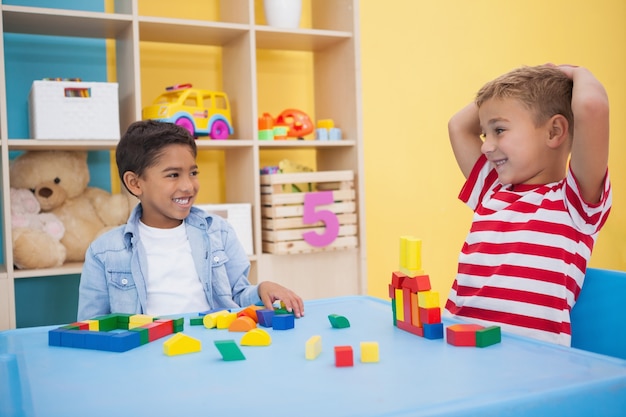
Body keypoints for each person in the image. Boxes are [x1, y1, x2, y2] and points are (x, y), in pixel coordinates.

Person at [444, 65, 612, 346]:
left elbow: (592, 107)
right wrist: (515, 83)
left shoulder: (574, 202)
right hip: (460, 348)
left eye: (499, 130)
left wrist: (573, 72)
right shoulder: (492, 191)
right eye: (485, 134)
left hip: (533, 364)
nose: (486, 146)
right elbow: (457, 126)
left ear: (554, 131)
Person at [77, 120, 304, 321]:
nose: (188, 186)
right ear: (135, 183)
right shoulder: (104, 252)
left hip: (212, 349)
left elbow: (236, 297)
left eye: (193, 173)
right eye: (173, 175)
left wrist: (261, 289)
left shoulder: (219, 232)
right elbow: (92, 325)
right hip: (145, 357)